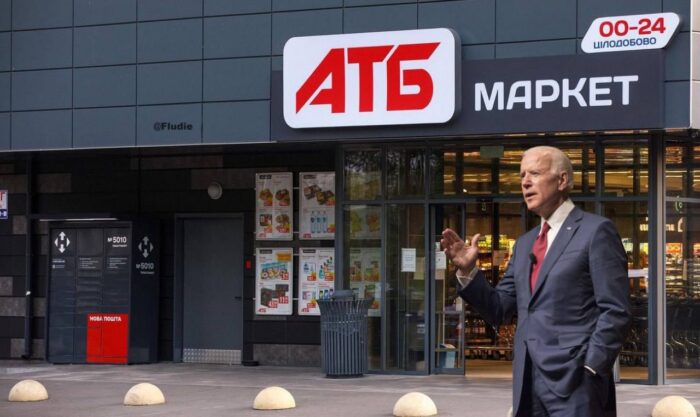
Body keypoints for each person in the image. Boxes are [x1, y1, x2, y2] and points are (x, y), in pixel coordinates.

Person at [441, 146, 630, 417]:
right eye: (522, 176)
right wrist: (469, 270)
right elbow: (499, 308)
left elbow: (616, 310)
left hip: (577, 383)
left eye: (535, 173)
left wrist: (592, 367)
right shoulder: (524, 244)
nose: (525, 182)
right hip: (528, 383)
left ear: (562, 180)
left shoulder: (595, 232)